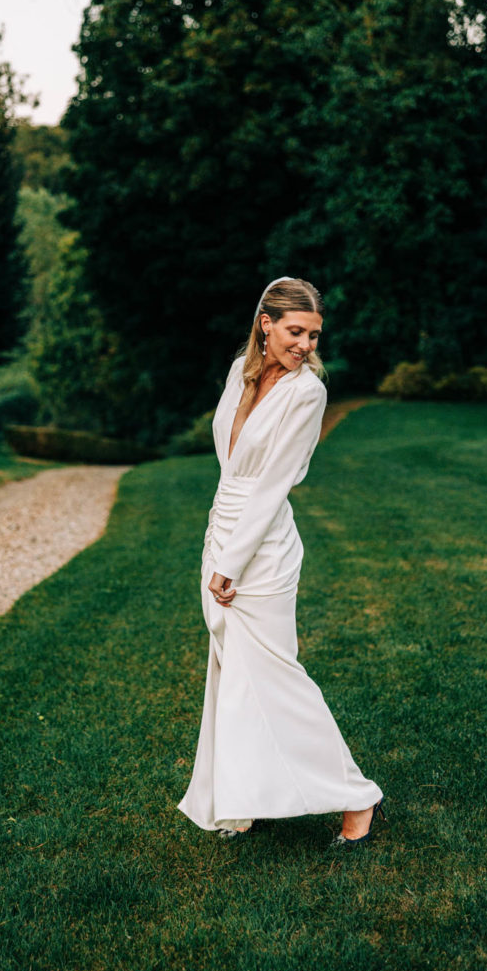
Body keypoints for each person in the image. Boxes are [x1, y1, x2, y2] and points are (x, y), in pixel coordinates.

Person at [177, 276, 385, 845]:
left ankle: (357, 796)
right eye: (296, 331)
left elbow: (272, 485)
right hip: (220, 531)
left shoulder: (307, 393)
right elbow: (232, 465)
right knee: (231, 675)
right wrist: (217, 550)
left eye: (314, 335)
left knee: (275, 678)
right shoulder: (238, 374)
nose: (306, 345)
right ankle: (242, 798)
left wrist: (234, 563)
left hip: (261, 549)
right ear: (265, 325)